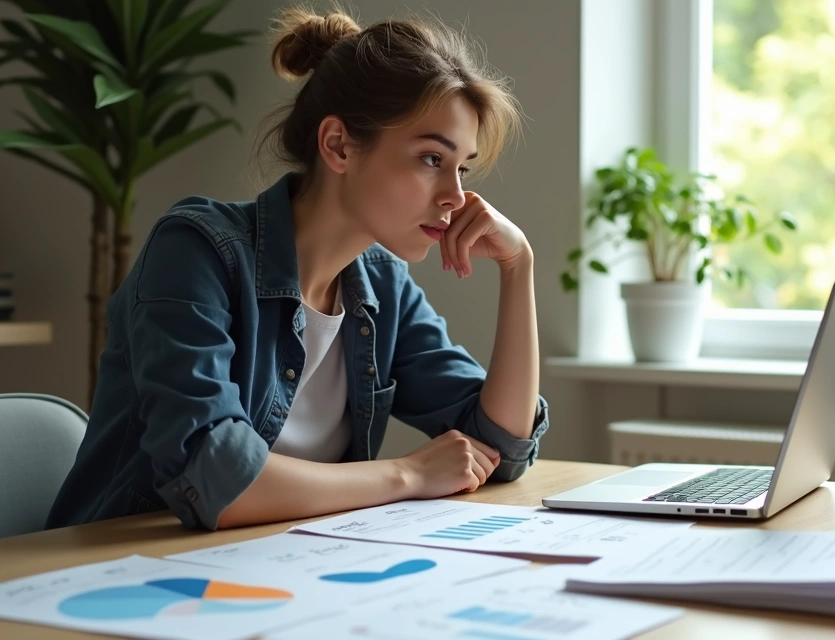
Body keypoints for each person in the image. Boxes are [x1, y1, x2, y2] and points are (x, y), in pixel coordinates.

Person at [45, 7, 549, 532]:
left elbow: (501, 448)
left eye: (462, 168)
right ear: (337, 146)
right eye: (430, 159)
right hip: (119, 571)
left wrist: (519, 267)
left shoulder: (382, 283)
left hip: (278, 569)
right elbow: (216, 476)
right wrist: (406, 475)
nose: (456, 197)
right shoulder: (197, 251)